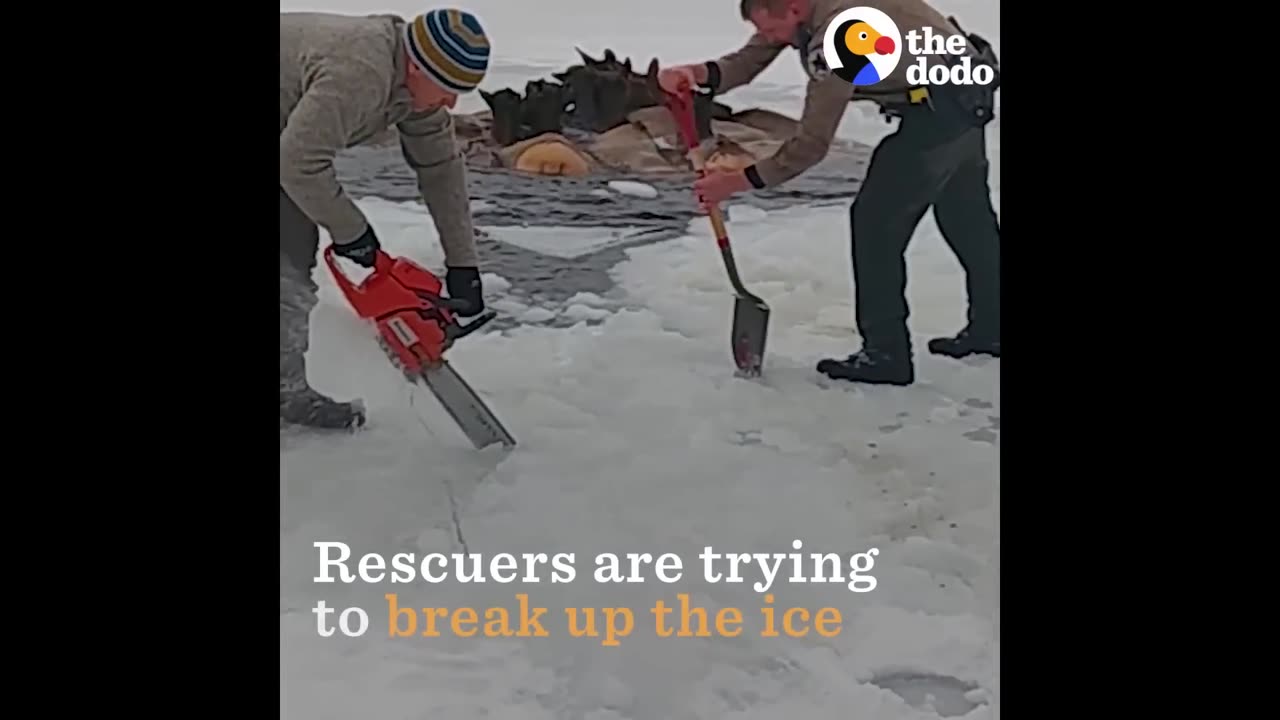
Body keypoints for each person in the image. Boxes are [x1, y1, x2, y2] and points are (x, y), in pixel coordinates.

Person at [656, 0, 1001, 386]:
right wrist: (697, 73)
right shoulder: (809, 10)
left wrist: (741, 180)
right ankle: (992, 328)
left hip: (941, 112)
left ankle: (885, 355)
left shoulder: (842, 41)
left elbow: (811, 144)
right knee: (968, 218)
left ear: (794, 8)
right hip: (965, 94)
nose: (769, 40)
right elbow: (749, 59)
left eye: (772, 29)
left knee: (876, 225)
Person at [280, 9, 491, 429]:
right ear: (416, 66)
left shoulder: (416, 91)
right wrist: (352, 231)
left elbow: (441, 172)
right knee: (288, 257)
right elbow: (298, 161)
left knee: (291, 254)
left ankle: (283, 391)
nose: (451, 103)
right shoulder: (359, 73)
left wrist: (462, 265)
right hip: (289, 147)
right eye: (448, 89)